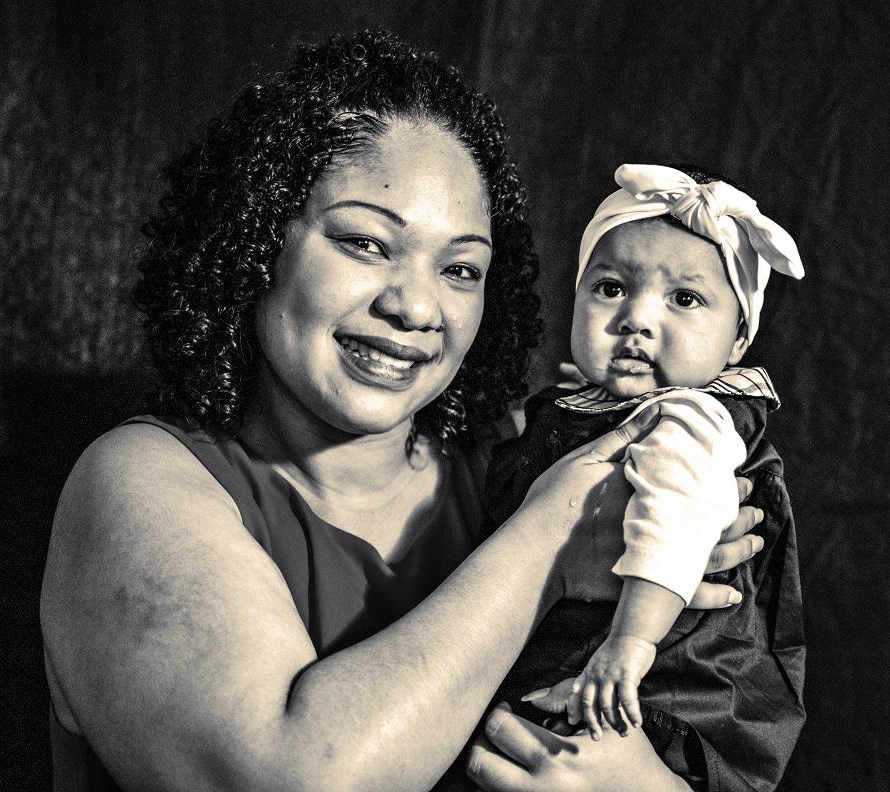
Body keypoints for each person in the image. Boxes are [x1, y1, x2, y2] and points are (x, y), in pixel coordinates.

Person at [39, 31, 765, 792]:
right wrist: (552, 538)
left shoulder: (508, 466)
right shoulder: (135, 482)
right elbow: (296, 780)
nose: (416, 307)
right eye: (365, 243)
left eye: (460, 269)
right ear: (254, 237)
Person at [487, 164, 807, 791]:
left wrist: (631, 642)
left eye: (684, 299)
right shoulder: (596, 406)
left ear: (738, 341)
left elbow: (676, 518)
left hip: (657, 687)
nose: (636, 318)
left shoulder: (688, 418)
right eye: (610, 288)